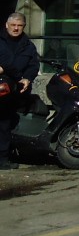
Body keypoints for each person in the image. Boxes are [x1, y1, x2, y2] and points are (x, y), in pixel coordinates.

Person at [0, 12, 40, 169]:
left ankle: (3, 159)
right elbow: (6, 63)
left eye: (19, 25)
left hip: (15, 92)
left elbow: (33, 66)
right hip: (3, 87)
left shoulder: (29, 46)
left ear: (23, 27)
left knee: (6, 123)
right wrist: (18, 76)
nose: (16, 28)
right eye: (13, 25)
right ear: (6, 25)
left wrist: (27, 79)